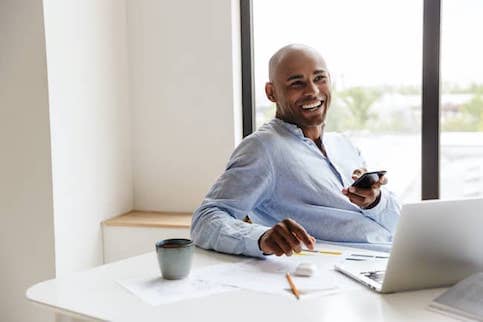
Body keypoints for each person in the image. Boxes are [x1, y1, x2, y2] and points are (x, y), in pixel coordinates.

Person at [191, 44, 400, 258]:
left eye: (319, 79)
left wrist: (375, 201)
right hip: (344, 270)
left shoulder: (343, 144)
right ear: (271, 93)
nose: (313, 91)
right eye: (296, 83)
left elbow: (397, 223)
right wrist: (261, 238)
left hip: (396, 256)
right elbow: (205, 220)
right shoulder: (263, 148)